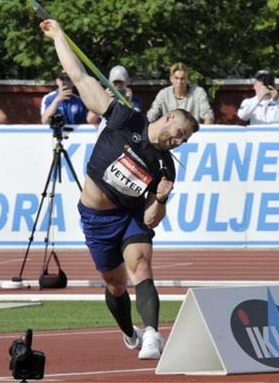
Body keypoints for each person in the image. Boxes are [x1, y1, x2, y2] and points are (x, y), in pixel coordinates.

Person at [40, 18, 200, 360]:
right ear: (169, 117)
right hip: (96, 217)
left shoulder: (165, 166)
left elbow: (152, 219)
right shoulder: (127, 119)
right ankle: (130, 332)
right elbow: (81, 78)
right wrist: (58, 36)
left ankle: (154, 335)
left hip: (129, 217)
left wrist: (160, 197)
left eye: (184, 141)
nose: (179, 142)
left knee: (141, 266)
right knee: (114, 284)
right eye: (180, 134)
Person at [146, 62, 214, 125]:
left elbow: (208, 115)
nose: (179, 82)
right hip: (170, 134)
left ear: (187, 79)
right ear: (171, 79)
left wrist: (205, 131)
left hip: (193, 133)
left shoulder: (198, 92)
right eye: (176, 78)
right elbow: (152, 115)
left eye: (182, 78)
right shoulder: (163, 94)